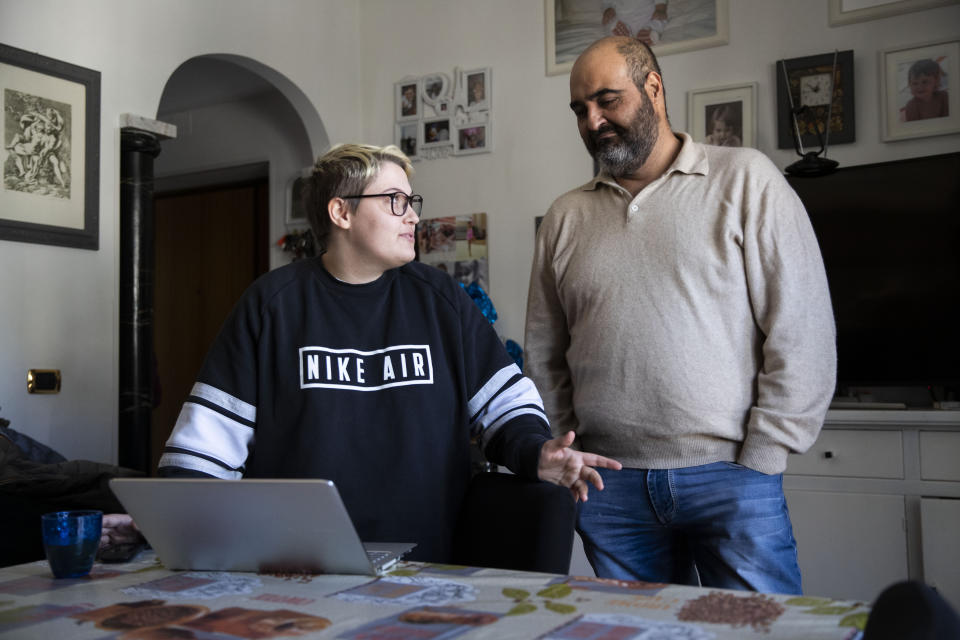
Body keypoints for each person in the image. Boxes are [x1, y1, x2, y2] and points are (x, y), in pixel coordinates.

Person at [151, 143, 621, 562]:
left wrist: (536, 450)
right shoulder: (272, 305)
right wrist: (186, 539)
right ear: (342, 213)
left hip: (430, 564)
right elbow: (202, 454)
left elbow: (505, 405)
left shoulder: (439, 299)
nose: (413, 216)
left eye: (412, 202)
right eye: (395, 202)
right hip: (297, 569)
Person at [524, 37, 836, 594]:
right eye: (580, 109)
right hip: (609, 486)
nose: (593, 121)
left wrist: (763, 455)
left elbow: (802, 328)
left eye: (607, 100)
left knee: (762, 635)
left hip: (732, 478)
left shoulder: (747, 180)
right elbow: (545, 352)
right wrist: (567, 445)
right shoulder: (565, 217)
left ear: (653, 89)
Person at [601, 1, 668, 46]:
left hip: (647, 15)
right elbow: (606, 2)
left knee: (660, 19)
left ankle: (648, 33)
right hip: (622, 19)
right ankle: (622, 34)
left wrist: (660, 9)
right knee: (610, 22)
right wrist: (608, 9)